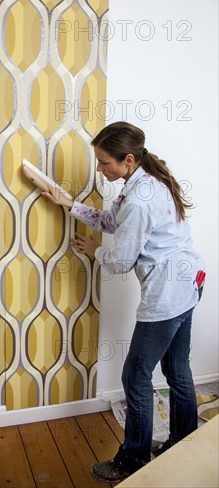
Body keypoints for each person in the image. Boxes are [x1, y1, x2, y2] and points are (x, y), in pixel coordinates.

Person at [42, 121, 205, 483]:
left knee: (135, 376)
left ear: (127, 160)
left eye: (104, 163)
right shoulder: (143, 181)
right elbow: (109, 220)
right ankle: (184, 441)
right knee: (177, 370)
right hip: (190, 281)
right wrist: (68, 205)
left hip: (168, 293)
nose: (99, 169)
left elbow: (120, 261)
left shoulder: (141, 199)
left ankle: (132, 459)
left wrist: (95, 251)